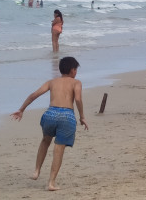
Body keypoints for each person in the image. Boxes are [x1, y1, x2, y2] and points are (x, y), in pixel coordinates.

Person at [11, 56, 88, 191]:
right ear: (72, 70)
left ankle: (36, 171)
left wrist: (21, 109)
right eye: (76, 69)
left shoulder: (52, 82)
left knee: (45, 141)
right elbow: (77, 99)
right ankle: (51, 183)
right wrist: (82, 117)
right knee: (59, 149)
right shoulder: (76, 83)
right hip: (66, 116)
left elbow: (34, 95)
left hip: (50, 114)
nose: (76, 72)